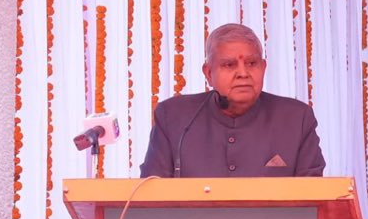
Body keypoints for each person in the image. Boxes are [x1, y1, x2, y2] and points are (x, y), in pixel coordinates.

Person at [138, 22, 325, 178]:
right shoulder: (174, 117)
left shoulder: (296, 118)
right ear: (209, 73)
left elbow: (316, 201)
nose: (243, 73)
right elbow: (150, 195)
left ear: (263, 68)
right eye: (229, 65)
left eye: (252, 63)